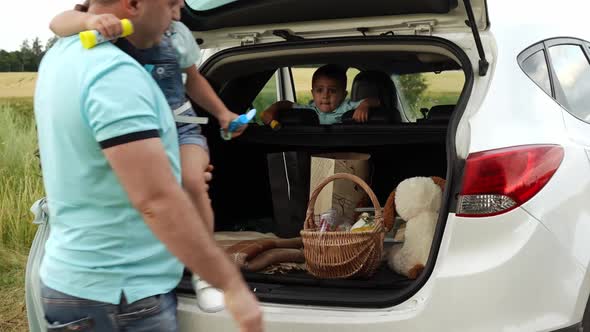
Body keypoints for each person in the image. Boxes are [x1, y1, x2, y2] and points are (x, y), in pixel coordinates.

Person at [34, 0, 263, 331]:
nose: (176, 13)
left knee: (193, 182)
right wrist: (231, 286)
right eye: (170, 3)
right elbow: (156, 200)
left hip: (72, 282)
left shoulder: (60, 57)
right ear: (134, 4)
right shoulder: (113, 75)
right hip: (122, 296)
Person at [261, 64, 380, 125]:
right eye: (319, 90)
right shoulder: (308, 110)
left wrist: (365, 105)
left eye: (332, 91)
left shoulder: (347, 107)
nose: (325, 95)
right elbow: (286, 104)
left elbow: (376, 101)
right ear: (312, 93)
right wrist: (272, 109)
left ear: (344, 95)